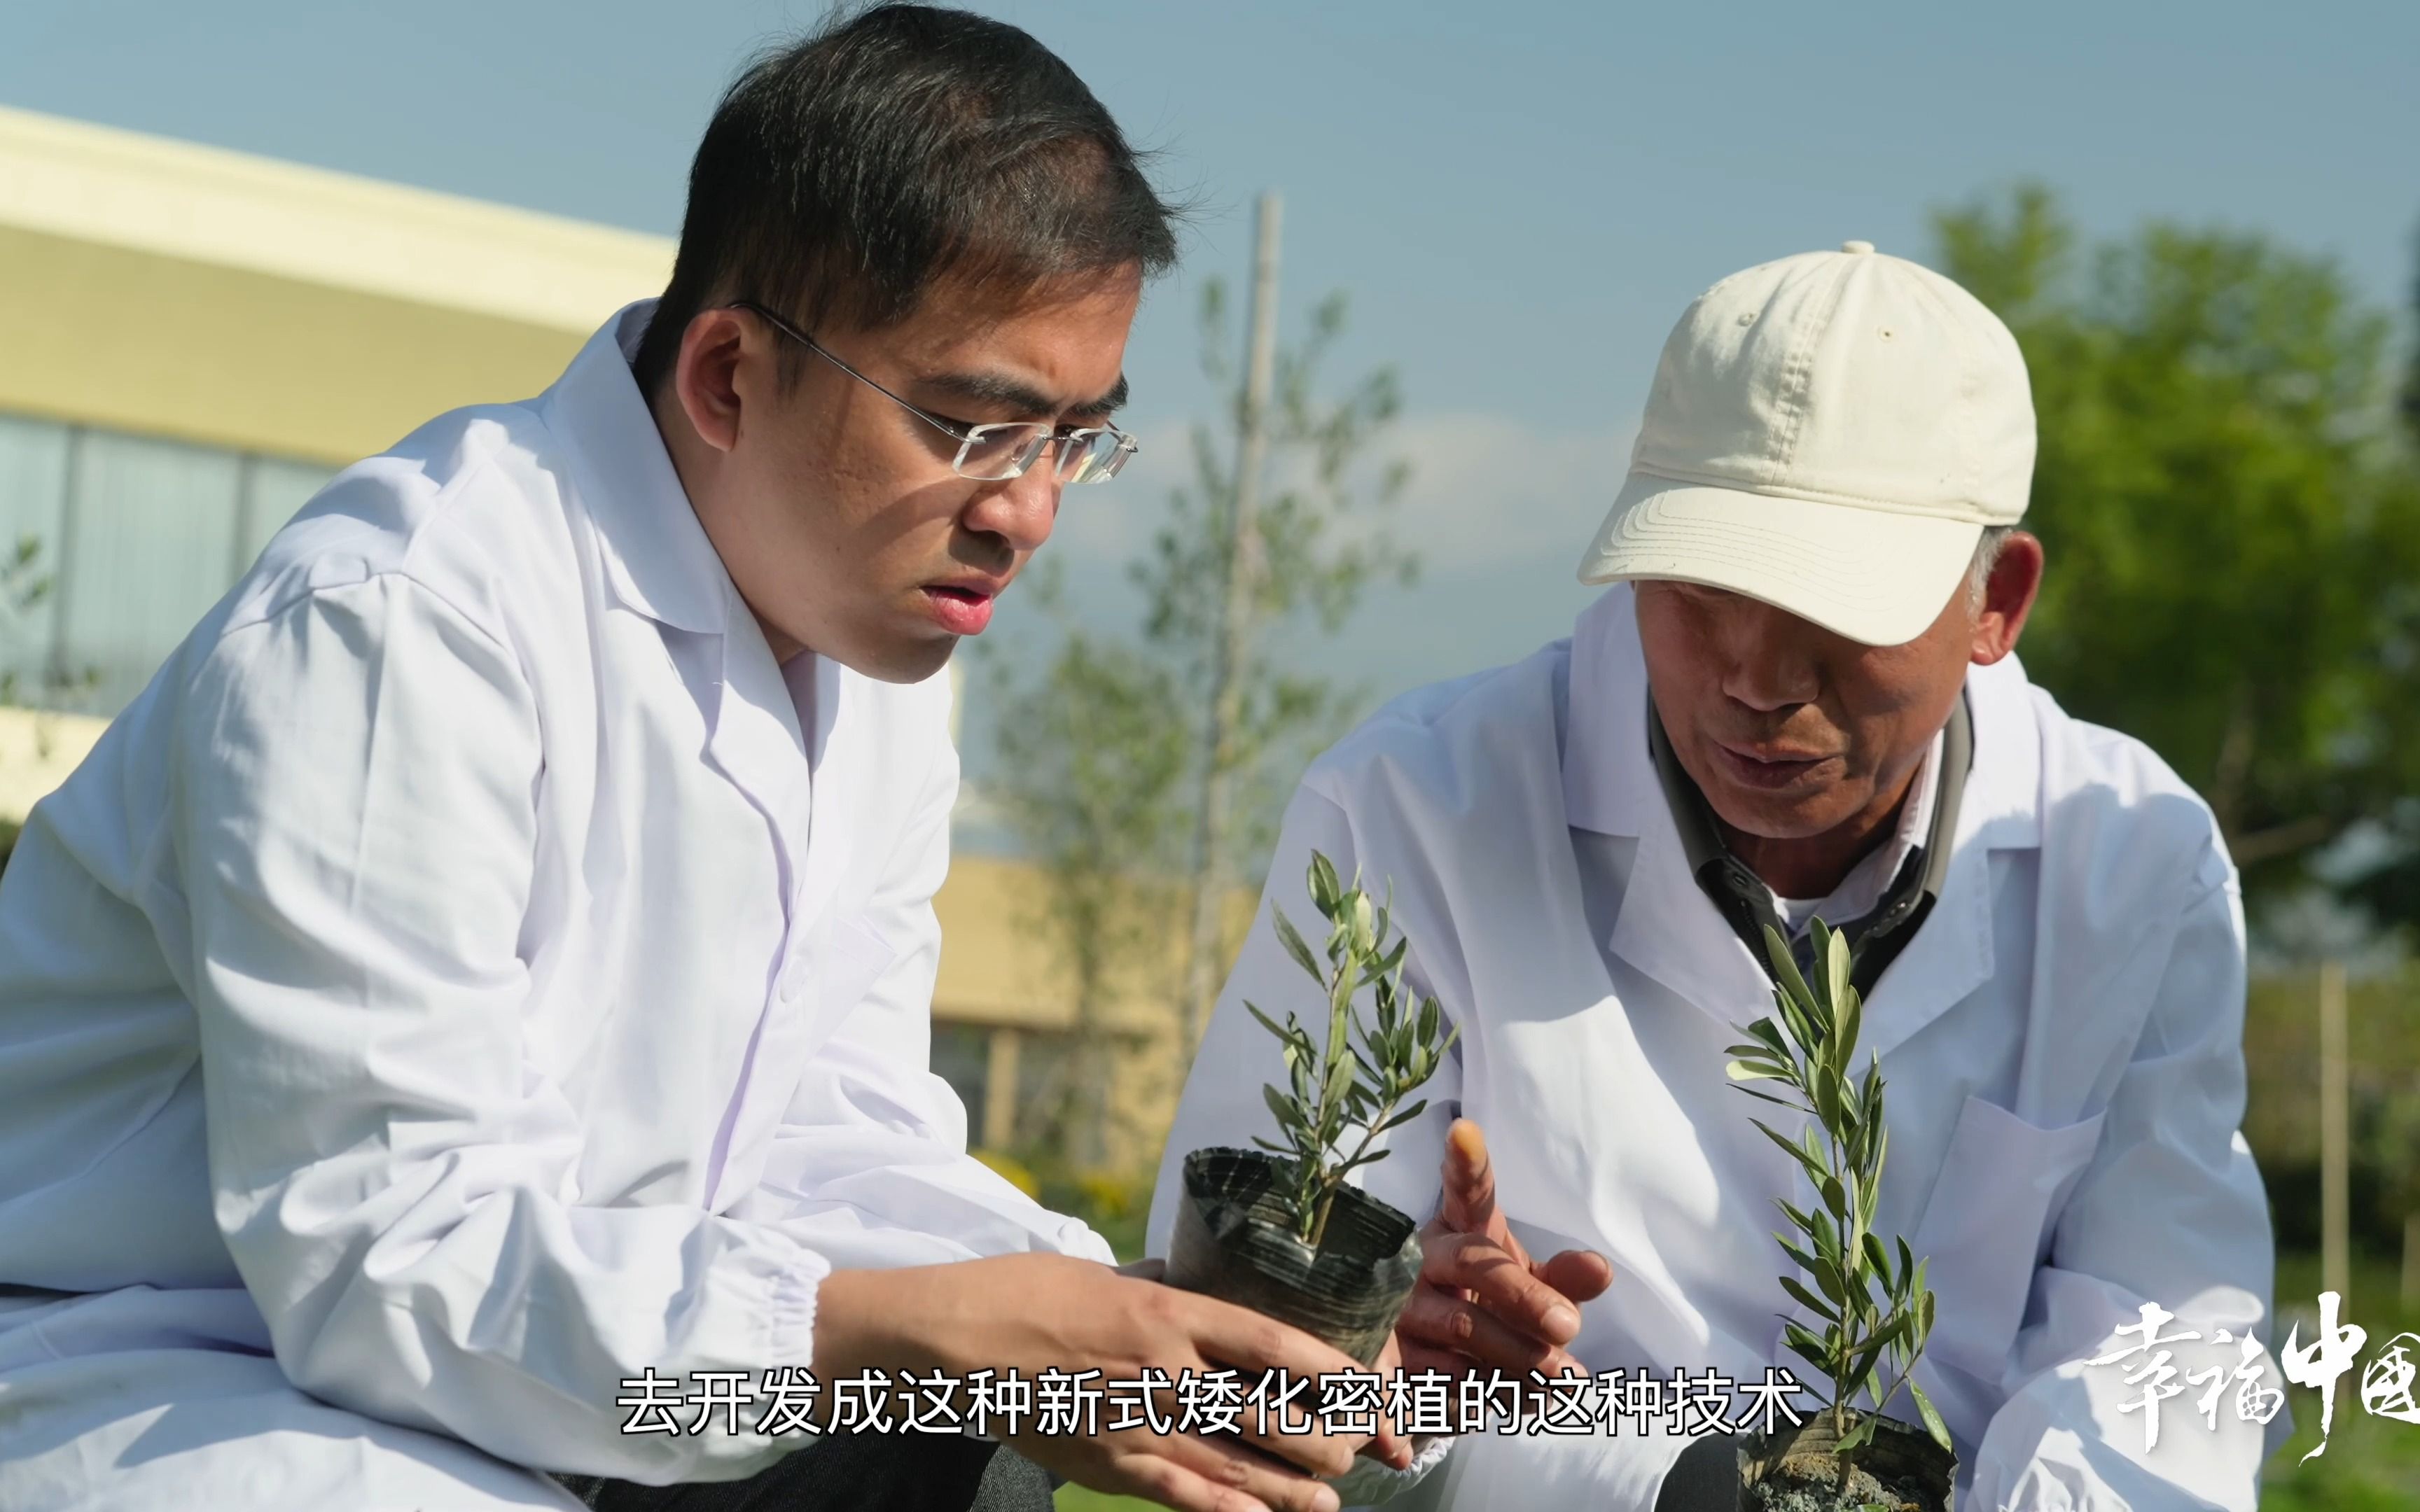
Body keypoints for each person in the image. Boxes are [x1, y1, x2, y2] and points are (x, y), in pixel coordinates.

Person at [0, 10, 1405, 1511]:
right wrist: (889, 1343)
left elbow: (823, 1132)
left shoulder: (870, 658)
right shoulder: (405, 620)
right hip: (183, 1370)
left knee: (967, 1460)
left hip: (547, 1367)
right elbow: (383, 1262)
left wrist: (1128, 1321)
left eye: (1073, 436)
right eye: (973, 426)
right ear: (730, 377)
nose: (1030, 513)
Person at [1150, 241, 2286, 1509]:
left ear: (1996, 603)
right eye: (1698, 590)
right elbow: (1229, 1370)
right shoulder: (1413, 808)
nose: (1752, 676)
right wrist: (1382, 1347)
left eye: (1830, 614)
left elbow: (2166, 1342)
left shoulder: (2134, 861)